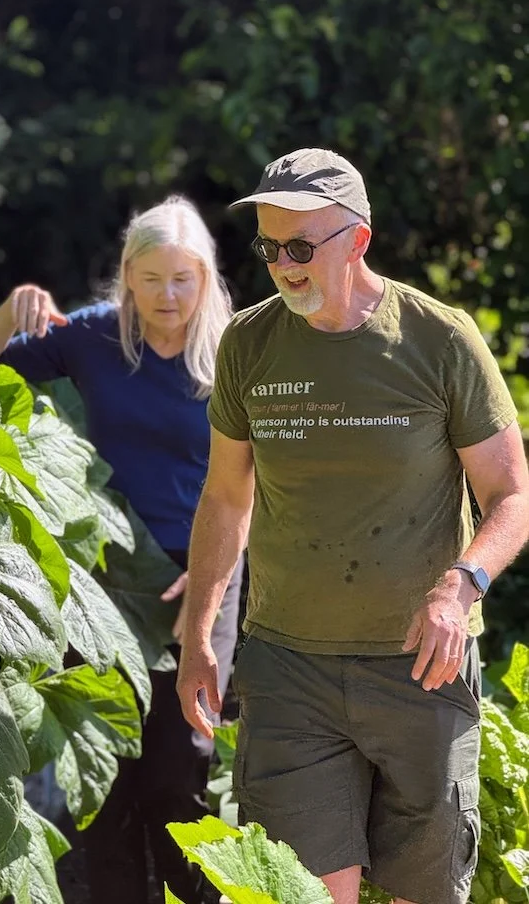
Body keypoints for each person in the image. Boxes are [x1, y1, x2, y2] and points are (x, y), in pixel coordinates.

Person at [175, 148, 529, 904]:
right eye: (270, 247)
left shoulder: (439, 339)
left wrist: (460, 586)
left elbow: (510, 496)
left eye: (301, 247)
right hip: (289, 670)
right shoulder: (249, 342)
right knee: (299, 895)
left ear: (358, 240)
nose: (283, 265)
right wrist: (201, 630)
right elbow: (225, 499)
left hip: (419, 672)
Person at [0, 195, 243, 904]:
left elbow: (261, 481)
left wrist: (212, 583)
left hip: (204, 577)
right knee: (110, 772)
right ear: (127, 276)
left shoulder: (238, 352)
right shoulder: (94, 337)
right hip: (107, 583)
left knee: (179, 773)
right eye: (151, 278)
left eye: (183, 278)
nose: (167, 295)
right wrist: (10, 308)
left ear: (205, 279)